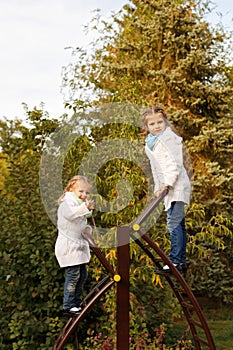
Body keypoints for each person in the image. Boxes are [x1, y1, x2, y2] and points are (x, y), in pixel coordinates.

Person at [142, 106, 191, 274]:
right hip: (167, 187)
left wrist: (167, 184)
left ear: (165, 122)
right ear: (146, 127)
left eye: (160, 122)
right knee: (178, 223)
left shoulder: (169, 139)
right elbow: (156, 168)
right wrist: (158, 187)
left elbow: (174, 165)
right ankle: (181, 261)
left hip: (177, 186)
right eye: (152, 124)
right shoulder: (150, 143)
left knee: (173, 223)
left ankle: (176, 262)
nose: (156, 126)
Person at [55, 175, 95, 316]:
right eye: (81, 191)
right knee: (73, 276)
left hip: (78, 249)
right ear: (71, 189)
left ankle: (76, 302)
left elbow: (80, 225)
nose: (84, 195)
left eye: (87, 192)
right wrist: (85, 207)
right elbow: (71, 215)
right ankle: (68, 305)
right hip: (69, 249)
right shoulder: (67, 204)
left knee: (82, 275)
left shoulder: (78, 206)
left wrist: (89, 229)